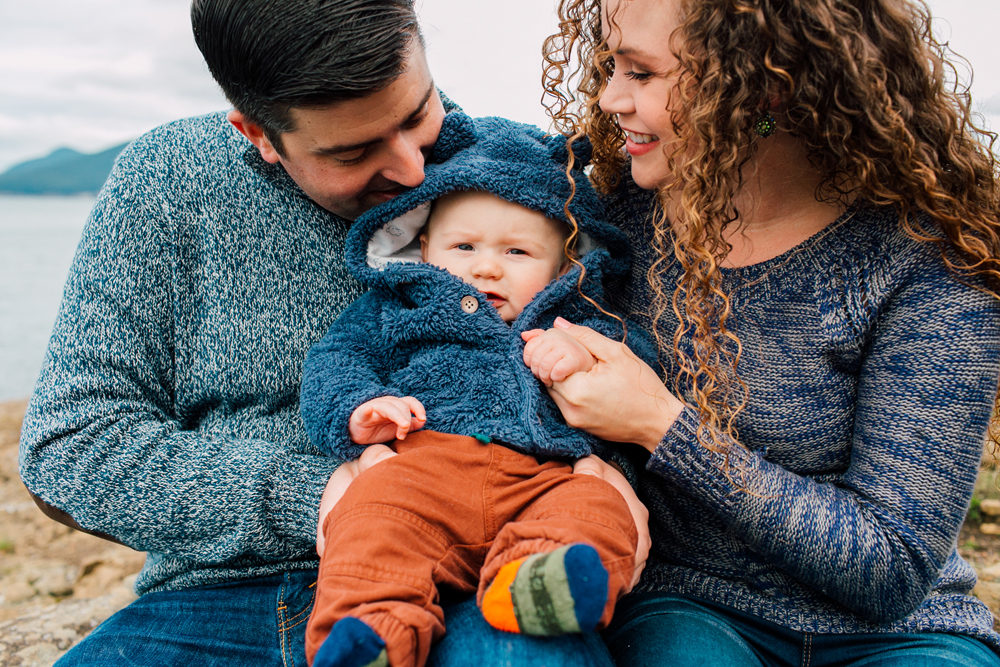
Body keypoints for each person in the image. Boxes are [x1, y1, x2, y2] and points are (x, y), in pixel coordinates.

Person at [16, 1, 644, 665]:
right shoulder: (165, 182)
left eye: (417, 113)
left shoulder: (513, 173)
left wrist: (606, 484)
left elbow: (617, 347)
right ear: (258, 133)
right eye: (352, 150)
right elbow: (69, 443)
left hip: (472, 578)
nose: (409, 168)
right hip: (217, 598)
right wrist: (320, 494)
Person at [525, 0, 1000, 665]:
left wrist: (664, 426)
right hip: (690, 604)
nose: (609, 98)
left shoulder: (928, 259)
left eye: (640, 71)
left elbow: (893, 564)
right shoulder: (612, 217)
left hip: (906, 631)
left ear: (761, 82)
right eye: (609, 65)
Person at [300, 112, 652, 667]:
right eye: (463, 247)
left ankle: (539, 580)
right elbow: (336, 359)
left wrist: (585, 354)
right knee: (371, 519)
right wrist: (358, 408)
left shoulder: (581, 317)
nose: (487, 269)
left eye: (517, 253)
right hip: (421, 471)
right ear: (423, 246)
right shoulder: (399, 305)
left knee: (595, 504)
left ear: (564, 264)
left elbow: (635, 371)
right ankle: (373, 628)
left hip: (542, 477)